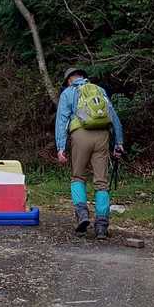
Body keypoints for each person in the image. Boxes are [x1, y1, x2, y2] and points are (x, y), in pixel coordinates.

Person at [55, 67, 124, 239]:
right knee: (101, 182)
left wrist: (61, 147)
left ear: (69, 80)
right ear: (83, 77)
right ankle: (101, 226)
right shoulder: (99, 90)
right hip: (102, 136)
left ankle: (82, 215)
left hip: (80, 135)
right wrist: (119, 143)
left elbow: (62, 121)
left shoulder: (68, 93)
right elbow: (113, 116)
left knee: (78, 177)